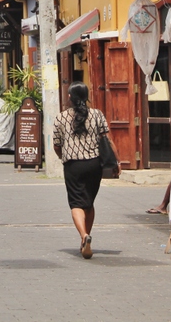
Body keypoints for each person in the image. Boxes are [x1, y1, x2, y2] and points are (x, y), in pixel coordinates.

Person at [52, 82, 113, 260]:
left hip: (73, 166)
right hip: (94, 164)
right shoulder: (97, 114)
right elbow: (106, 138)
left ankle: (83, 236)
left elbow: (56, 145)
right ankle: (85, 237)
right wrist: (116, 161)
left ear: (70, 97)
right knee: (89, 202)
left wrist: (63, 156)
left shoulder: (61, 118)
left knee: (76, 203)